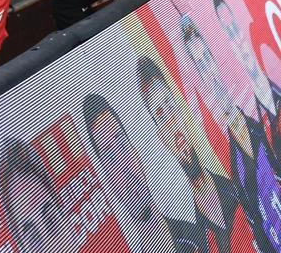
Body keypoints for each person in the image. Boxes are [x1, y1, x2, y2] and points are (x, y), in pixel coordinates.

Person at [179, 16, 281, 252]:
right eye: (200, 65)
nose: (209, 71)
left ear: (217, 61)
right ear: (199, 78)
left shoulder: (261, 116)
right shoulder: (224, 158)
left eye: (207, 59)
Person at [138, 55, 259, 253]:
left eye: (171, 106)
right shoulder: (188, 239)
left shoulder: (237, 181)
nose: (173, 124)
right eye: (160, 114)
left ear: (183, 111)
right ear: (161, 137)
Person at [82, 94, 203, 253]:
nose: (123, 165)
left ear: (136, 153)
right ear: (107, 180)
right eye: (109, 157)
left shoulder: (198, 237)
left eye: (122, 144)